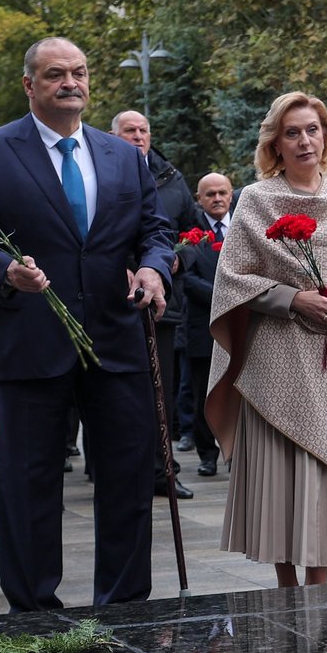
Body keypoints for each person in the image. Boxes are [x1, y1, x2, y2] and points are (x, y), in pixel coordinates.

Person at [0, 37, 173, 610]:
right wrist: (3, 273)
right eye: (55, 75)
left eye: (79, 72)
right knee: (28, 485)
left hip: (116, 341)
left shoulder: (123, 156)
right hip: (29, 342)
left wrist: (152, 268)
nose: (71, 82)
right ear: (30, 85)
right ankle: (33, 609)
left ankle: (122, 607)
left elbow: (155, 229)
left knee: (126, 480)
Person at [204, 92, 327, 585]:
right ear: (276, 142)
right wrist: (293, 298)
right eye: (292, 132)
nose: (304, 140)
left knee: (324, 484)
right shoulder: (256, 199)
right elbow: (233, 278)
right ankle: (286, 592)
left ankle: (320, 589)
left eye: (312, 129)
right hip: (279, 363)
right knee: (282, 485)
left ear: (326, 136)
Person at [113, 110, 200, 498]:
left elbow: (194, 233)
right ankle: (112, 469)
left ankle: (163, 471)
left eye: (143, 130)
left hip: (163, 302)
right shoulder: (103, 171)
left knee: (159, 389)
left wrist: (177, 259)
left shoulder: (171, 178)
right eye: (129, 130)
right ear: (113, 136)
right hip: (113, 301)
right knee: (116, 391)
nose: (137, 136)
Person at [178, 172, 233, 479]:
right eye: (210, 194)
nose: (217, 199)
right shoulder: (190, 234)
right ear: (199, 199)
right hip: (202, 327)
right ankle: (207, 455)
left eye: (222, 192)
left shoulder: (242, 228)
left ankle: (235, 451)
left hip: (241, 325)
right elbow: (185, 277)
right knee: (203, 393)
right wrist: (222, 297)